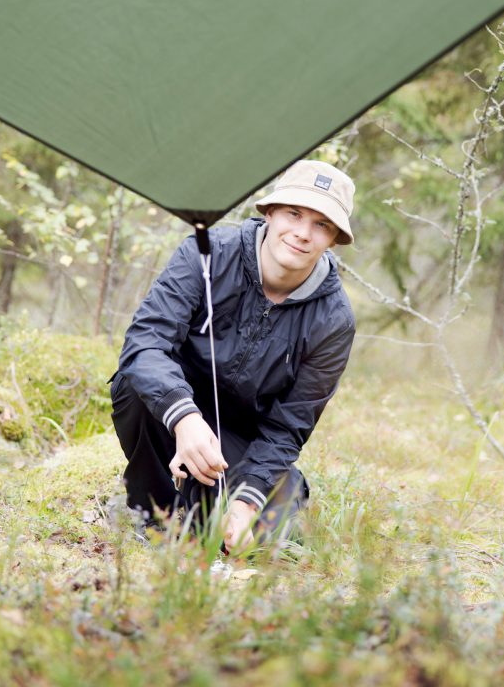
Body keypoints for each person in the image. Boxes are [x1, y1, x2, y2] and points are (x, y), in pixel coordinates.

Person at [110, 159, 356, 553]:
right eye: (294, 214)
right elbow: (145, 343)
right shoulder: (207, 256)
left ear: (333, 239)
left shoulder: (334, 320)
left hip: (241, 445)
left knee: (273, 525)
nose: (302, 233)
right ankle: (154, 519)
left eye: (321, 225)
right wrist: (185, 419)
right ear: (271, 212)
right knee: (134, 387)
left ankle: (216, 513)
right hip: (170, 417)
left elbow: (289, 426)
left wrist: (245, 504)